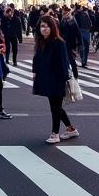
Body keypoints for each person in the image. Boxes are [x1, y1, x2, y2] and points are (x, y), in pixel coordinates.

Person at [31, 15, 77, 145]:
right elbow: (36, 59)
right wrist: (34, 72)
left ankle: (55, 133)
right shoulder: (41, 41)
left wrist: (64, 80)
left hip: (57, 78)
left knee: (55, 107)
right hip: (45, 77)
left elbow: (64, 62)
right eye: (42, 26)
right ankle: (71, 129)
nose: (44, 29)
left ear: (53, 28)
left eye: (47, 26)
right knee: (55, 107)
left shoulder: (58, 42)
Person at [73, 5, 92, 69]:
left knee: (81, 47)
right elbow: (90, 23)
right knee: (86, 47)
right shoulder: (85, 14)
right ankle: (84, 61)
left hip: (79, 31)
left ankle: (82, 60)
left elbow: (74, 25)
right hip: (86, 31)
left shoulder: (75, 14)